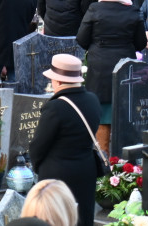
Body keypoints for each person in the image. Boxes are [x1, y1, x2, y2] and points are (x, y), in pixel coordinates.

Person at [76, 0, 146, 151]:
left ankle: (103, 157)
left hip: (100, 66)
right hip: (125, 66)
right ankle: (124, 160)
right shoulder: (133, 11)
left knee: (102, 114)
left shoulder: (95, 9)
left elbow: (81, 39)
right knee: (124, 112)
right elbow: (141, 43)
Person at [29, 54, 100, 226]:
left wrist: (38, 167)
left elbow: (38, 146)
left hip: (58, 174)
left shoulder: (55, 107)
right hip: (86, 169)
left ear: (59, 81)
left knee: (58, 219)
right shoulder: (92, 100)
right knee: (83, 217)